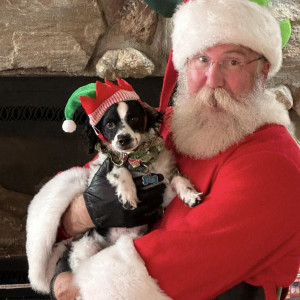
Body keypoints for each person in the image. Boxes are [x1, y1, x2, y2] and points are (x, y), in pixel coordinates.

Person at [26, 0, 300, 299]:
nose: (213, 80)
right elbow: (84, 184)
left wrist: (70, 284)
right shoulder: (167, 125)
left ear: (262, 72)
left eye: (232, 61)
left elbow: (176, 270)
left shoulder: (276, 164)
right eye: (201, 59)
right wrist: (83, 212)